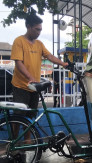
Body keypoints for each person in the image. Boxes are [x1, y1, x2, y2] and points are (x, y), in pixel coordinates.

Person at [11, 14, 68, 143]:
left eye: (40, 29)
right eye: (37, 29)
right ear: (28, 26)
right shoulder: (19, 41)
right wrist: (30, 77)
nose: (39, 32)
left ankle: (28, 142)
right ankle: (13, 141)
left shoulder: (39, 44)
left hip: (34, 87)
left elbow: (50, 56)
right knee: (19, 116)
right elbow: (18, 63)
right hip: (21, 86)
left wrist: (63, 64)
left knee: (31, 116)